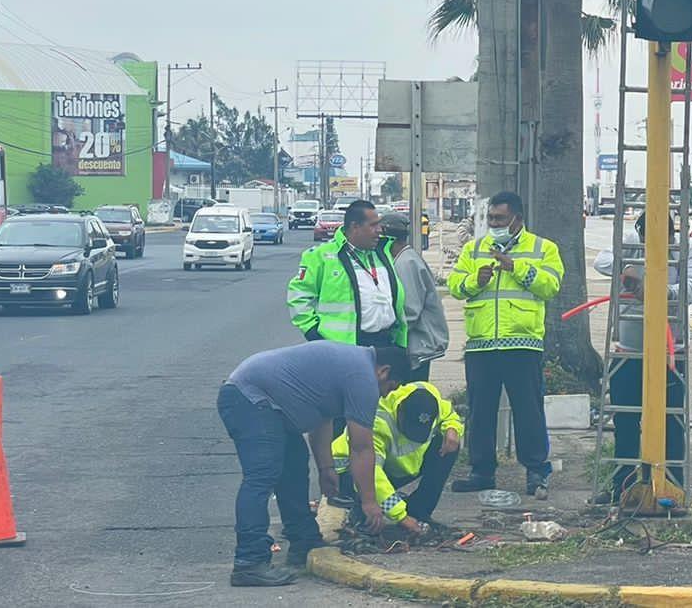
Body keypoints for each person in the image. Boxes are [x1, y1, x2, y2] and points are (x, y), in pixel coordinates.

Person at [217, 341, 406, 587]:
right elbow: (360, 447)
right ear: (384, 371)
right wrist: (370, 502)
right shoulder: (362, 377)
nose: (386, 394)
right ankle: (249, 563)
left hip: (267, 404)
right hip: (250, 399)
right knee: (261, 477)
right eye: (391, 387)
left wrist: (326, 469)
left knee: (294, 467)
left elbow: (322, 419)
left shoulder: (352, 365)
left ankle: (303, 543)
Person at [445, 191, 564, 498]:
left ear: (517, 219)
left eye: (500, 218)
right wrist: (476, 280)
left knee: (528, 410)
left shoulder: (543, 248)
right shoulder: (474, 249)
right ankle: (482, 471)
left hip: (522, 342)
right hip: (482, 343)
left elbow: (551, 286)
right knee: (480, 411)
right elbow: (455, 286)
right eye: (491, 218)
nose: (494, 224)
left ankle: (536, 471)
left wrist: (517, 268)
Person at [595, 211, 692, 500]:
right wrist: (626, 271)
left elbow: (691, 290)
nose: (653, 244)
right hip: (630, 349)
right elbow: (601, 261)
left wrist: (657, 291)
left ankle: (672, 486)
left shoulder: (685, 249)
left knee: (670, 422)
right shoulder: (632, 242)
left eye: (661, 239)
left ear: (671, 234)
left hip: (670, 352)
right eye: (647, 238)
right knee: (626, 423)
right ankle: (622, 487)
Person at [330, 380, 462, 535]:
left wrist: (452, 428)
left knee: (449, 443)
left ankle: (419, 511)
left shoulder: (427, 396)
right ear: (400, 412)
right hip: (353, 472)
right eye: (410, 428)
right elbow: (371, 473)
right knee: (369, 509)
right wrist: (401, 516)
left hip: (399, 467)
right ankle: (360, 511)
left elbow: (448, 413)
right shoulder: (377, 421)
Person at [289, 200, 407, 349]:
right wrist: (314, 333)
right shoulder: (321, 256)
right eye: (373, 225)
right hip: (345, 347)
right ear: (355, 227)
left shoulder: (383, 251)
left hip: (386, 342)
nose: (379, 230)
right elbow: (298, 297)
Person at [380, 213, 447, 382]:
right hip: (413, 347)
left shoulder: (406, 263)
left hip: (416, 348)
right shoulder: (403, 259)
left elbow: (409, 311)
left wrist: (387, 333)